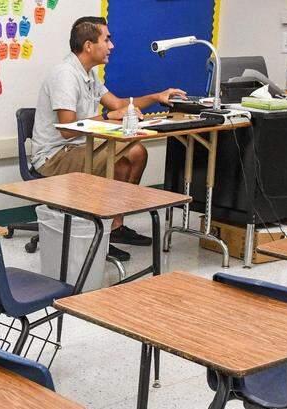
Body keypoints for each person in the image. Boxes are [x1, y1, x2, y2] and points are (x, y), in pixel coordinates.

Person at [30, 16, 185, 260]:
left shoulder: (89, 74)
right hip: (56, 156)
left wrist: (158, 96)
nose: (111, 46)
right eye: (107, 39)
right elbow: (68, 129)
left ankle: (114, 226)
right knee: (122, 157)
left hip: (81, 146)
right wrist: (109, 116)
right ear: (89, 46)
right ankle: (98, 233)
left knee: (136, 152)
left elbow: (121, 104)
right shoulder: (65, 75)